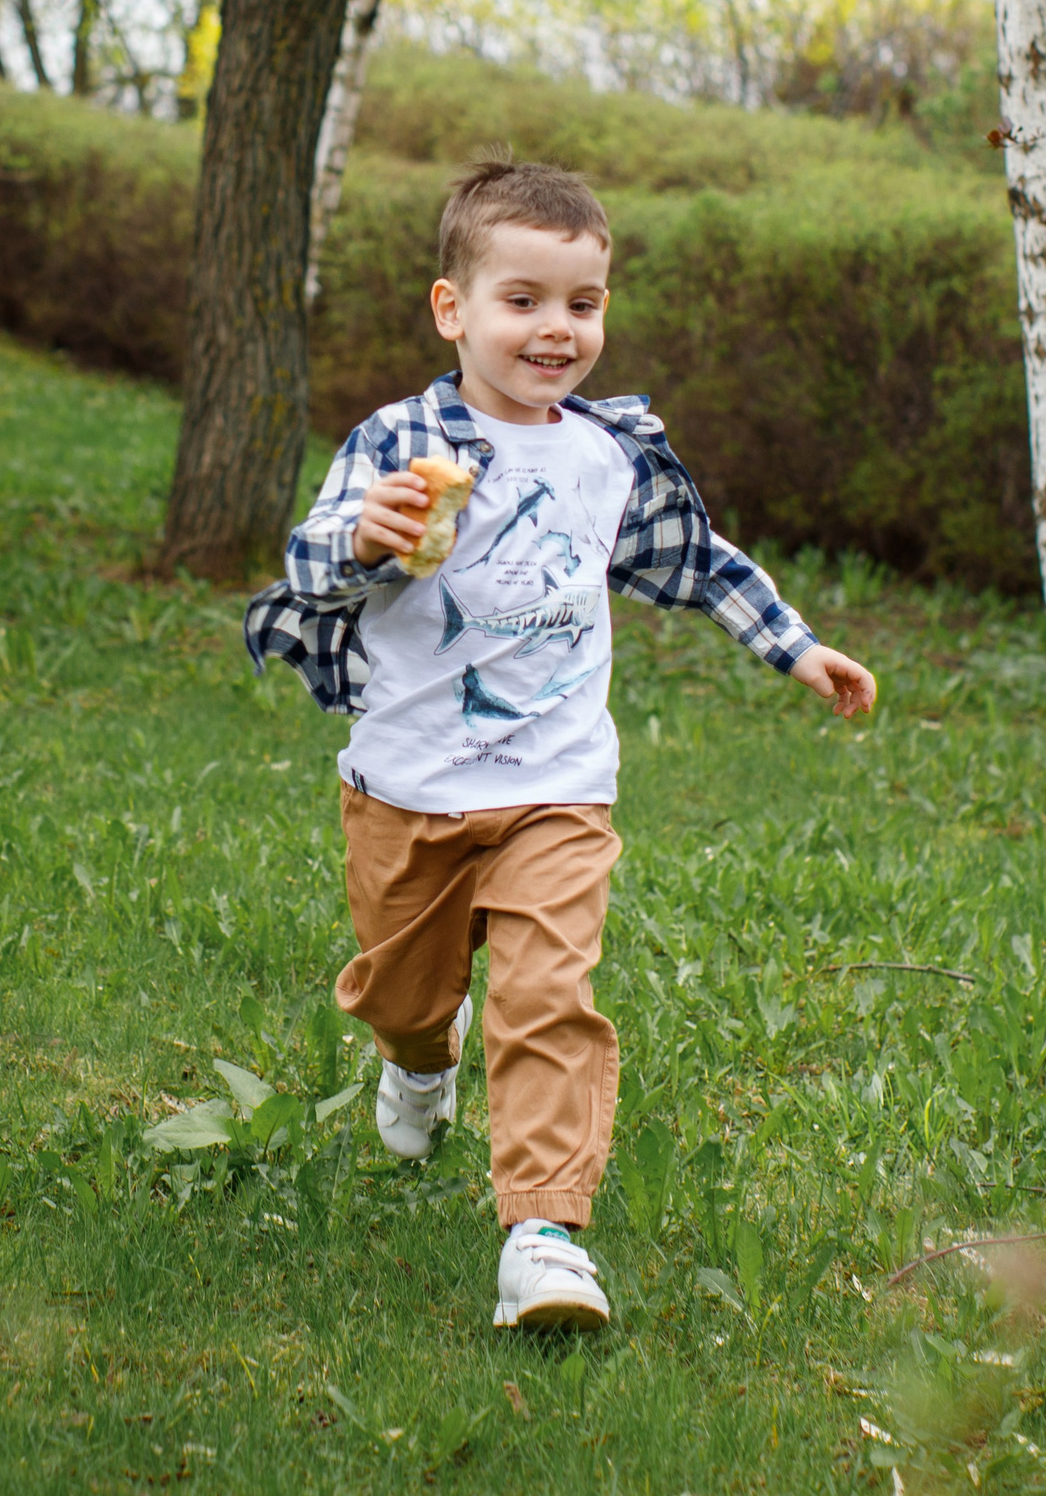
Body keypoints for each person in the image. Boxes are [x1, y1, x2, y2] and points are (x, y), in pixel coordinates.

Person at [243, 160, 876, 1330]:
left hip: (557, 788)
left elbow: (700, 562)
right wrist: (367, 539)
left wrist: (796, 648)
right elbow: (310, 562)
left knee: (549, 996)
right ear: (453, 309)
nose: (555, 330)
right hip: (409, 784)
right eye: (521, 299)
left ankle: (542, 1233)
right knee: (403, 991)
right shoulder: (395, 442)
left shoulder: (605, 454)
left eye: (580, 304)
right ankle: (419, 1060)